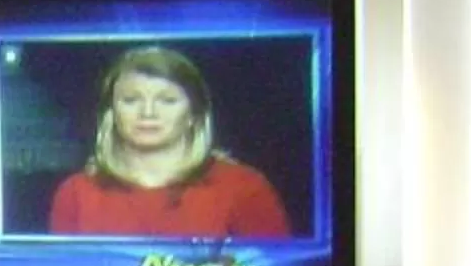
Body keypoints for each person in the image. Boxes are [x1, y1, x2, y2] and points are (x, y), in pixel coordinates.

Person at [47, 44, 291, 238]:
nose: (148, 113)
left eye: (167, 100)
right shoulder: (76, 193)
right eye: (131, 100)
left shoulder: (244, 188)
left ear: (193, 115)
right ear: (110, 114)